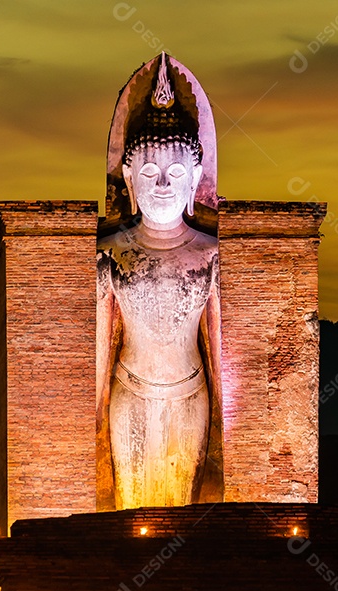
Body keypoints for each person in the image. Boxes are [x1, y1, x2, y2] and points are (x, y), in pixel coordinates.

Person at [97, 55, 219, 509]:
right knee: (130, 506)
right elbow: (97, 345)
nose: (163, 184)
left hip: (190, 388)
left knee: (181, 511)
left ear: (194, 181)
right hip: (130, 386)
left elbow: (221, 346)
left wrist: (233, 418)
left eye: (176, 174)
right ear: (129, 178)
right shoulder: (112, 251)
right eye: (149, 172)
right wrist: (88, 409)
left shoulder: (210, 253)